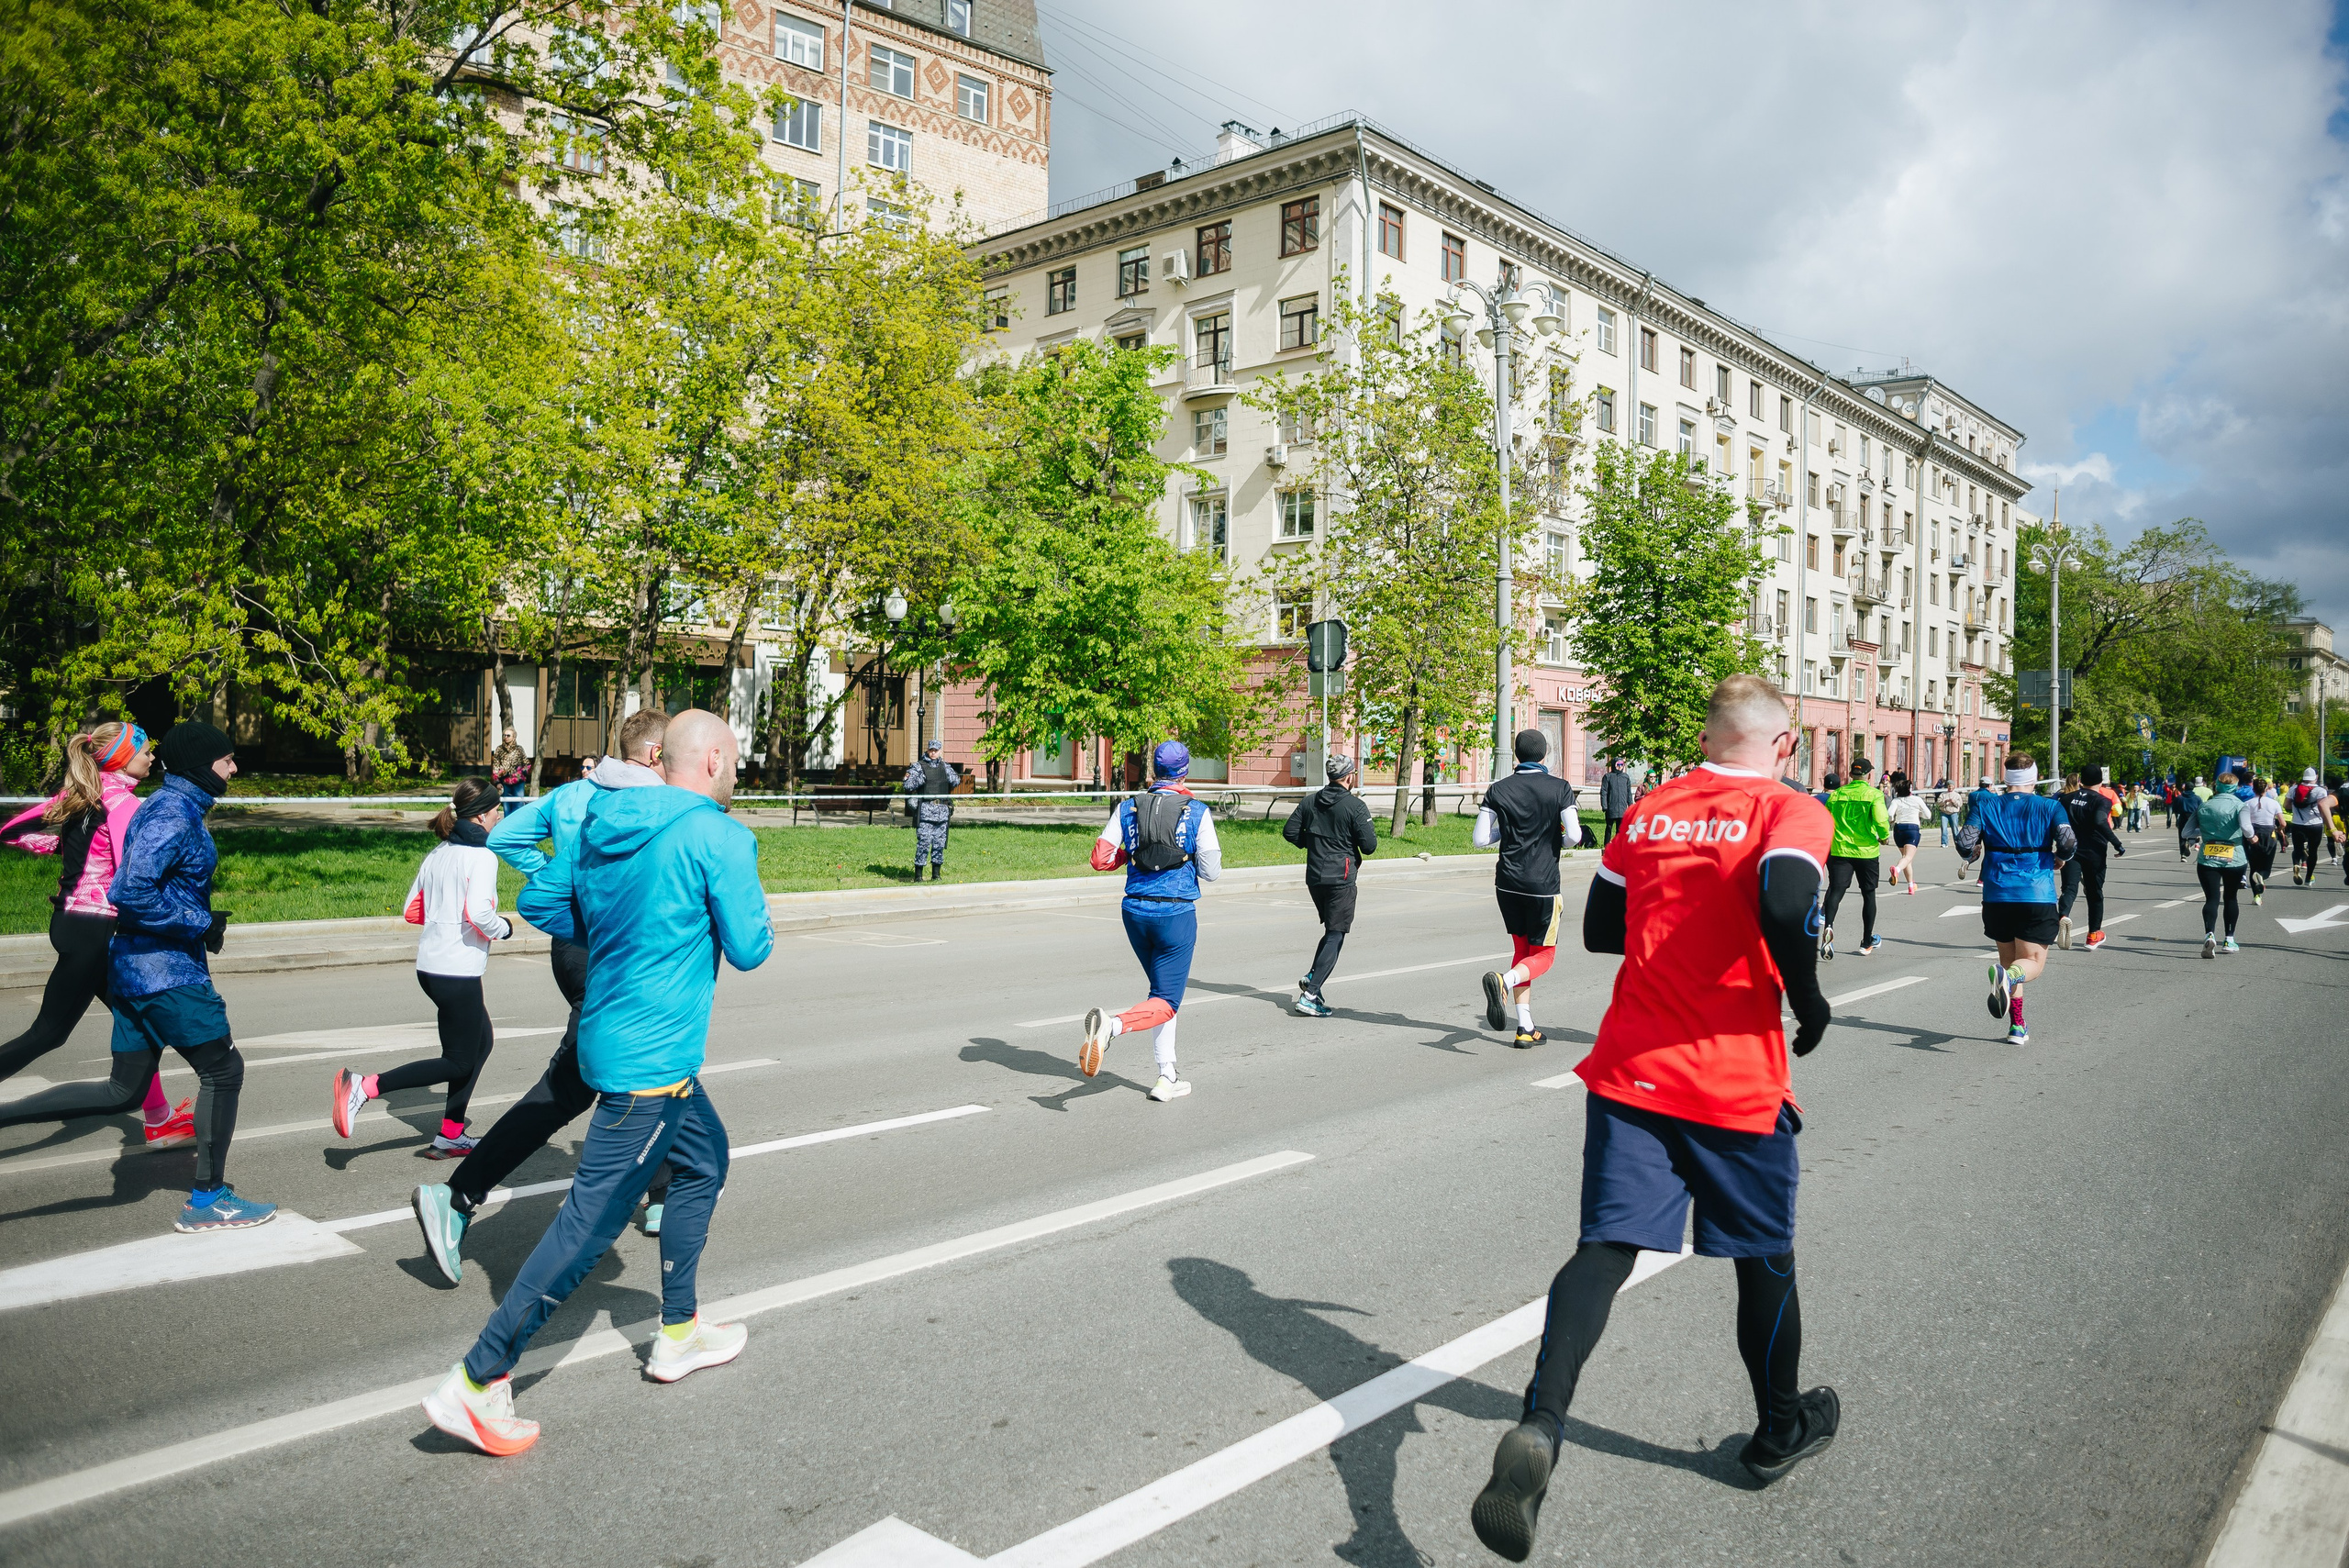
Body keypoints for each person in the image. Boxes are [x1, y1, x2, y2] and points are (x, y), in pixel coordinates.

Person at [1468, 677, 1838, 1562]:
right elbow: (1788, 901)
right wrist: (1808, 996)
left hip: (1631, 1069)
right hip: (1734, 1081)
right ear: (1782, 745)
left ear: (1708, 737)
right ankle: (1778, 1432)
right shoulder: (1791, 811)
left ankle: (1543, 1423)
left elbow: (1601, 927)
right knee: (1764, 1260)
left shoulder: (1654, 807)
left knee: (1605, 1249)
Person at [420, 709, 773, 1457]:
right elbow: (749, 946)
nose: (738, 773)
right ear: (709, 759)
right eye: (736, 760)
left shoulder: (602, 814)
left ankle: (678, 1330)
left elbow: (542, 903)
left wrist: (622, 920)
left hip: (613, 1037)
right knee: (589, 1223)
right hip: (651, 1063)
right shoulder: (719, 834)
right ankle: (477, 1379)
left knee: (706, 1161)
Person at [410, 711, 671, 1284]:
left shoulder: (574, 795)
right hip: (613, 948)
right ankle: (456, 1198)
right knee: (582, 1081)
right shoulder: (653, 805)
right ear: (653, 753)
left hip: (573, 945)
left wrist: (553, 876)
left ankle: (664, 1191)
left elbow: (505, 837)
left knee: (643, 1070)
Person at [0, 723, 273, 1230]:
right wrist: (202, 921)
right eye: (228, 759)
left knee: (120, 1093)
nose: (235, 768)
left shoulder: (169, 806)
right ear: (199, 764)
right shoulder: (170, 814)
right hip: (163, 971)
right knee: (222, 1072)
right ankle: (208, 1201)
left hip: (131, 965)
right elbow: (132, 892)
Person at [0, 722, 191, 1147]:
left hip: (74, 924)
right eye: (144, 750)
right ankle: (159, 1118)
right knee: (49, 1033)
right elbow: (132, 879)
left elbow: (8, 832)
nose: (152, 757)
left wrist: (65, 848)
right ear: (122, 756)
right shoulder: (124, 804)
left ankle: (159, 1117)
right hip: (94, 930)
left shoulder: (77, 796)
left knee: (137, 1022)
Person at [330, 779, 512, 1156]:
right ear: (481, 814)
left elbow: (412, 908)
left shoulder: (438, 853)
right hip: (457, 970)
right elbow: (479, 913)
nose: (501, 813)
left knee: (481, 1043)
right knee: (459, 1059)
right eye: (497, 808)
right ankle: (364, 1087)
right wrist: (503, 928)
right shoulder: (482, 857)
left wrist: (445, 920)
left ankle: (451, 1133)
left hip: (431, 966)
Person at [1076, 741, 1222, 1102]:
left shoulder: (1128, 806)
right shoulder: (1198, 810)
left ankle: (1166, 1075)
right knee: (1167, 1000)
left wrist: (1134, 855)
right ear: (1185, 771)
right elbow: (1212, 871)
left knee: (1159, 994)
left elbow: (1100, 858)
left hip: (1135, 912)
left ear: (1154, 771)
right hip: (1175, 913)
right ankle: (1113, 1027)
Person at [1472, 730, 1584, 1048]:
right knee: (1545, 955)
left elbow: (1480, 839)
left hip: (1507, 883)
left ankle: (1524, 1027)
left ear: (1518, 755)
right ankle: (1503, 981)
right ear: (1544, 755)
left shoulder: (1498, 789)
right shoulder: (1560, 788)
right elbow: (1574, 836)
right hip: (1542, 885)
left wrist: (1504, 834)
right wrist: (1557, 840)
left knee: (1522, 952)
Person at [1954, 752, 2074, 1047]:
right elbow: (2069, 842)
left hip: (1996, 894)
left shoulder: (1986, 804)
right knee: (2030, 963)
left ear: (2005, 778)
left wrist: (1974, 853)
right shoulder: (2050, 806)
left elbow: (1964, 842)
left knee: (2008, 962)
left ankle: (2017, 1027)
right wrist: (2059, 858)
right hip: (2036, 893)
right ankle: (2010, 988)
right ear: (2034, 778)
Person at [1282, 754, 1377, 1017]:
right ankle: (1310, 995)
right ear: (1349, 776)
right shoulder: (1355, 806)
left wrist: (1311, 845)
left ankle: (1313, 975)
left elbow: (1290, 832)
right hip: (1341, 879)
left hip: (1315, 877)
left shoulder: (1310, 801)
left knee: (1332, 930)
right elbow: (1369, 846)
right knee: (1337, 934)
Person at [1820, 758, 1891, 957]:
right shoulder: (1874, 795)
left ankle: (1829, 927)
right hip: (1866, 851)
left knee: (1835, 891)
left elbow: (1825, 819)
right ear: (1868, 775)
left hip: (1840, 850)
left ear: (1851, 774)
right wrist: (1884, 837)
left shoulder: (1838, 794)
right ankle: (1866, 941)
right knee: (1868, 895)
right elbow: (1881, 820)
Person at [2054, 764, 2127, 950]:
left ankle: (2063, 916)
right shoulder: (2102, 800)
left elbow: (2055, 821)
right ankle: (2093, 935)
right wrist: (2117, 843)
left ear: (2080, 781)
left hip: (2070, 849)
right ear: (2100, 782)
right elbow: (2099, 821)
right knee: (2094, 893)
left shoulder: (2066, 798)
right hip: (2094, 852)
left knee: (2069, 889)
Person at [2181, 772, 2251, 957]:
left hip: (2207, 857)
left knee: (2211, 899)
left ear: (2216, 786)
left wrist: (2205, 831)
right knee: (2230, 897)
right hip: (2234, 857)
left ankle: (2209, 934)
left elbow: (2186, 832)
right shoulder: (2240, 806)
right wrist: (2252, 837)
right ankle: (2229, 939)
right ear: (2235, 787)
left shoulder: (2204, 806)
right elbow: (2246, 828)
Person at [902, 740, 959, 881]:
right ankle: (918, 876)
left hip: (942, 811)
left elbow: (956, 781)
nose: (933, 753)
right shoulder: (918, 766)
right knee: (924, 843)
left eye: (936, 750)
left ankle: (936, 875)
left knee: (939, 844)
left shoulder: (945, 766)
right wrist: (921, 779)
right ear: (927, 750)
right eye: (931, 750)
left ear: (940, 751)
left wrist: (949, 776)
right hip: (926, 811)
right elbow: (907, 785)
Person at [2241, 776, 2282, 905]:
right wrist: (2278, 829)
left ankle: (2257, 897)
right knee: (2266, 867)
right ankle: (2262, 878)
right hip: (2269, 834)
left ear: (2253, 789)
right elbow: (2283, 823)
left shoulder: (2247, 803)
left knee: (2253, 867)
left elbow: (2243, 821)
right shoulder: (2274, 803)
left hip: (2252, 834)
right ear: (2266, 789)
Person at [1886, 774, 1929, 895]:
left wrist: (1892, 820)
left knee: (1906, 858)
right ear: (1910, 789)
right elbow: (1928, 815)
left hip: (1899, 829)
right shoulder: (1917, 800)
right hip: (1912, 829)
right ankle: (1897, 869)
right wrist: (1919, 814)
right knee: (1908, 857)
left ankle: (1911, 885)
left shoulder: (1896, 801)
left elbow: (1890, 814)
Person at [2288, 768, 2331, 887]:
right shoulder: (2320, 791)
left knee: (2298, 848)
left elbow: (2286, 804)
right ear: (2315, 777)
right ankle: (2308, 877)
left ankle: (2296, 864)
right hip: (2315, 825)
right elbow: (2323, 807)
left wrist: (2297, 808)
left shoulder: (2294, 789)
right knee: (2313, 851)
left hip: (2297, 824)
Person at [491, 728, 529, 811]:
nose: (506, 737)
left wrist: (520, 774)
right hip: (505, 782)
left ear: (514, 737)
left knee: (518, 806)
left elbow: (527, 764)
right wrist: (497, 782)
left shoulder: (519, 749)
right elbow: (496, 767)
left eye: (508, 735)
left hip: (518, 782)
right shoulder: (499, 749)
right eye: (504, 735)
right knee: (507, 807)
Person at [1598, 759, 1632, 846]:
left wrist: (1631, 805)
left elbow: (1628, 792)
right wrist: (1604, 805)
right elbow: (1604, 791)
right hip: (1611, 807)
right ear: (1614, 765)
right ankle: (1606, 845)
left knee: (1620, 828)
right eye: (1618, 764)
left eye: (1621, 764)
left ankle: (1618, 845)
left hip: (1622, 807)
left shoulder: (1625, 777)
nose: (1620, 767)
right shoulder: (1608, 777)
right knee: (1609, 827)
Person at [1935, 779, 1964, 848]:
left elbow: (1960, 804)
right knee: (1944, 828)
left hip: (1953, 813)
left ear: (1953, 787)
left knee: (1955, 828)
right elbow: (1938, 802)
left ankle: (1957, 842)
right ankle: (1944, 842)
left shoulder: (1957, 795)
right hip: (1944, 813)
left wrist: (1954, 802)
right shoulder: (1943, 794)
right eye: (1949, 786)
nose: (1950, 788)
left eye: (1951, 786)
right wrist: (1944, 801)